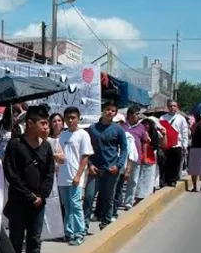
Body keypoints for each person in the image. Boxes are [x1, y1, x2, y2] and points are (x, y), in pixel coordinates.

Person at [3, 105, 55, 253]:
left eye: (47, 123)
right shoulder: (15, 144)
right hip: (19, 201)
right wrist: (28, 195)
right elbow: (11, 173)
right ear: (30, 124)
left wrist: (42, 196)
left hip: (38, 203)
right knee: (16, 238)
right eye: (43, 123)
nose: (46, 127)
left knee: (34, 238)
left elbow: (49, 174)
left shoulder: (47, 147)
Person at [84, 102, 127, 231]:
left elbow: (124, 149)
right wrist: (90, 164)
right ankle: (84, 226)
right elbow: (87, 149)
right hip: (95, 169)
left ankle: (105, 223)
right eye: (108, 109)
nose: (110, 113)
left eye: (113, 111)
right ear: (103, 110)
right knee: (89, 198)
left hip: (111, 170)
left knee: (109, 198)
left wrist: (118, 166)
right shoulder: (92, 129)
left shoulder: (118, 130)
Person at [57, 106, 93, 245]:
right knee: (67, 206)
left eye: (73, 118)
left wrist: (78, 176)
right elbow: (59, 155)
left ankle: (80, 232)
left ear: (78, 118)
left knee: (76, 205)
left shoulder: (83, 134)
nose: (70, 120)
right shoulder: (63, 136)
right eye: (68, 118)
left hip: (75, 177)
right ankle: (69, 232)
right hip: (62, 177)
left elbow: (85, 157)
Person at [122, 106, 150, 209]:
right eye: (136, 114)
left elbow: (145, 143)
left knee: (133, 180)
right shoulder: (122, 126)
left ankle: (128, 202)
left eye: (139, 114)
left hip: (136, 158)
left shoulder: (141, 127)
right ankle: (117, 200)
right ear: (130, 115)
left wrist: (144, 156)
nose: (138, 116)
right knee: (121, 180)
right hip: (123, 158)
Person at [160, 100, 189, 187]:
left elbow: (184, 132)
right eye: (170, 106)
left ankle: (173, 180)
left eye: (174, 106)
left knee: (175, 163)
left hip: (177, 144)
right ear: (167, 107)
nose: (172, 108)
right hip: (165, 144)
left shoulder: (181, 119)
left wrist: (185, 145)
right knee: (165, 163)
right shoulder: (162, 118)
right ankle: (164, 180)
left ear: (177, 107)